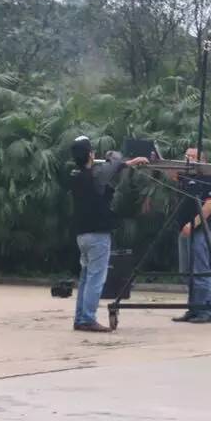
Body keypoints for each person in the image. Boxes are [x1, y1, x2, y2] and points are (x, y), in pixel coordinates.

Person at [68, 136, 149, 332]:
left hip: (82, 235)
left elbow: (112, 168)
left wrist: (125, 163)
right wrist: (114, 157)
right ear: (90, 154)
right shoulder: (95, 176)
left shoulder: (76, 175)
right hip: (97, 236)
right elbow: (114, 164)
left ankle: (80, 318)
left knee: (86, 278)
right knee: (96, 279)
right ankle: (87, 319)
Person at [174, 146, 211, 324]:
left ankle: (206, 312)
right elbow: (170, 174)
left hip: (199, 229)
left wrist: (193, 224)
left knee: (201, 271)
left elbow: (209, 205)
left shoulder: (208, 177)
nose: (189, 159)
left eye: (193, 156)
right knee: (186, 271)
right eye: (186, 156)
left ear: (203, 160)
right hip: (183, 229)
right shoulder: (184, 177)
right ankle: (194, 308)